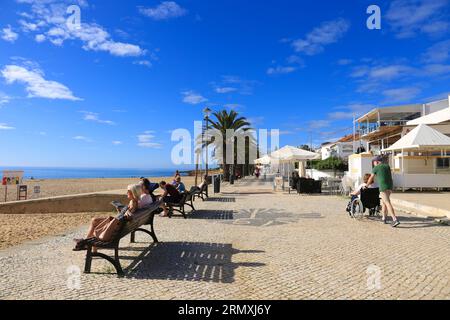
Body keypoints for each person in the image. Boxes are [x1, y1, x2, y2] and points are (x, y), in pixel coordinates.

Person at [73, 184, 142, 251]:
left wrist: (127, 212)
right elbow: (126, 215)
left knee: (94, 221)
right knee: (94, 220)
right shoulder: (135, 201)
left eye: (128, 191)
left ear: (133, 193)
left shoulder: (133, 202)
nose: (127, 192)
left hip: (116, 226)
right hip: (119, 225)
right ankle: (87, 244)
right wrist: (121, 211)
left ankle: (85, 243)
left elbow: (129, 214)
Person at [366, 156, 400, 227]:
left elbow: (371, 178)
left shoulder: (376, 168)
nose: (373, 164)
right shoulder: (387, 166)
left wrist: (366, 185)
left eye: (374, 162)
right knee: (384, 202)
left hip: (383, 187)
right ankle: (384, 218)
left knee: (387, 202)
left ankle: (395, 219)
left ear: (377, 162)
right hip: (390, 186)